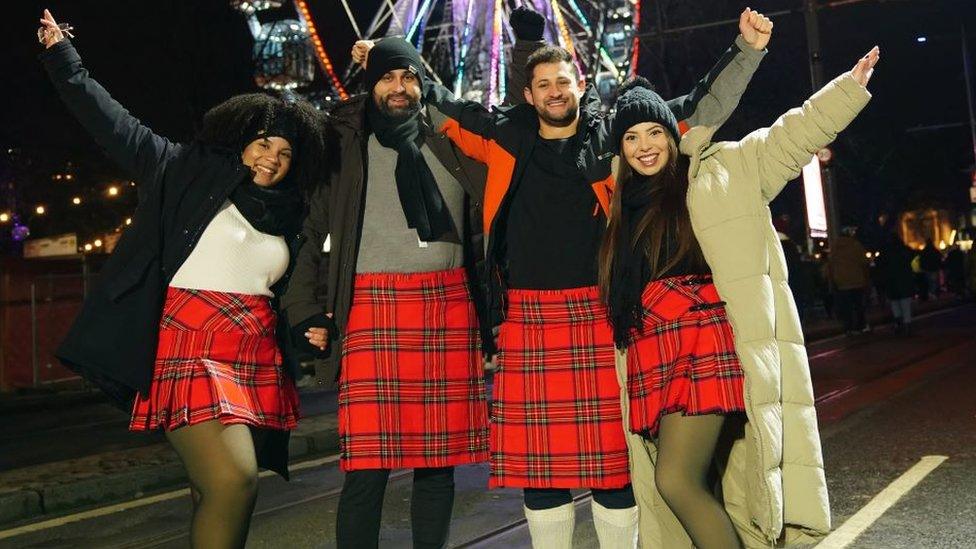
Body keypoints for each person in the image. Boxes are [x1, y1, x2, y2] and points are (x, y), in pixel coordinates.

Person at [391, 7, 774, 547]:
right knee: (537, 472)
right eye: (542, 84)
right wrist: (395, 57)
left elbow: (698, 108)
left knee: (612, 467)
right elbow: (440, 104)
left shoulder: (612, 138)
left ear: (581, 85)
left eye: (562, 82)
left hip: (600, 314)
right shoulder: (501, 136)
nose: (554, 92)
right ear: (528, 95)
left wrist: (747, 49)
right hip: (526, 318)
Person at [38, 9, 327, 548]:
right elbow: (112, 123)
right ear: (241, 141)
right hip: (190, 348)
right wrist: (63, 59)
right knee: (233, 479)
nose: (272, 158)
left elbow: (279, 293)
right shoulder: (181, 171)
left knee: (210, 489)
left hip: (253, 354)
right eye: (263, 144)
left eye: (285, 152)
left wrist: (306, 327)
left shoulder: (291, 216)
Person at [600, 47, 878, 548]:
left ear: (672, 133)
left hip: (700, 347)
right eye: (632, 137)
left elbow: (789, 139)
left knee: (675, 481)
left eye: (655, 132)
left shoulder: (721, 170)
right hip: (653, 350)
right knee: (694, 484)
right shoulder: (623, 209)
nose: (645, 146)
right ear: (620, 148)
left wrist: (848, 87)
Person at [280, 25, 544, 547]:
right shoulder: (342, 143)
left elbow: (519, 123)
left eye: (409, 77)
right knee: (366, 465)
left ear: (425, 82)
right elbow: (309, 229)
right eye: (387, 77)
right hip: (370, 307)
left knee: (439, 464)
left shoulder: (452, 139)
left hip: (449, 305)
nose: (399, 87)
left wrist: (526, 50)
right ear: (369, 84)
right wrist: (304, 308)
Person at [827, 227, 871, 334]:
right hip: (856, 280)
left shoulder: (835, 248)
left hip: (841, 282)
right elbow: (864, 262)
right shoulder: (856, 245)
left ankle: (849, 327)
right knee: (858, 305)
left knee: (846, 307)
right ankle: (861, 325)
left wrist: (832, 280)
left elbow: (830, 265)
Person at [877, 230, 916, 335]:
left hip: (892, 281)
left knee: (895, 304)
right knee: (905, 304)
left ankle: (898, 323)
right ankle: (907, 324)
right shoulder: (904, 250)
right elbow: (913, 254)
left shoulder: (885, 251)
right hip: (904, 280)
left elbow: (880, 264)